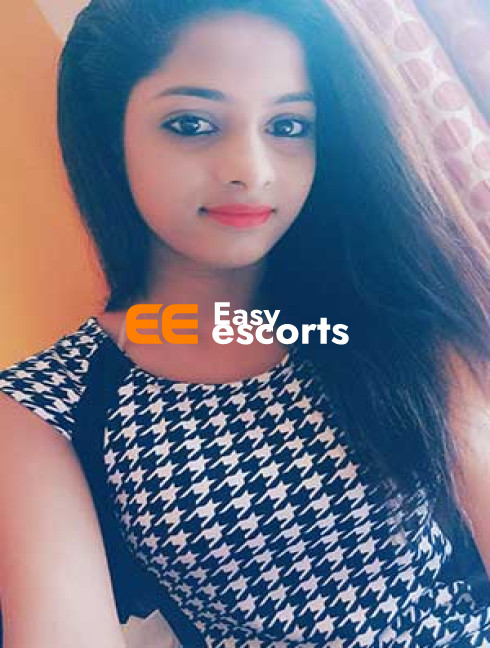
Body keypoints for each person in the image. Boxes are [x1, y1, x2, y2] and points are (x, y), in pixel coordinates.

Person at [0, 0, 489, 646]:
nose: (252, 171)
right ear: (109, 138)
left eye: (288, 126)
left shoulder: (386, 307)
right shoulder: (49, 406)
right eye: (193, 123)